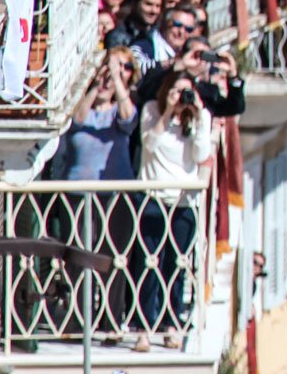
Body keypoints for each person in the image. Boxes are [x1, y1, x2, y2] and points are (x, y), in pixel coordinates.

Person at [135, 71, 212, 351]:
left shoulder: (199, 118)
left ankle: (171, 325)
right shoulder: (152, 112)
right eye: (178, 91)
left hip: (183, 202)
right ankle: (143, 327)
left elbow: (201, 155)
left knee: (177, 266)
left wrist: (199, 115)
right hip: (154, 198)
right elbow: (149, 144)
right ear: (167, 91)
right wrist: (168, 111)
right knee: (148, 264)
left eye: (187, 92)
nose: (183, 97)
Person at [60, 53, 140, 180]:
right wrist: (96, 85)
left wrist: (116, 77)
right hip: (76, 193)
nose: (107, 84)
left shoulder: (118, 111)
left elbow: (128, 119)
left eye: (111, 81)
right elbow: (75, 121)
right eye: (104, 77)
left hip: (115, 194)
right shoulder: (82, 108)